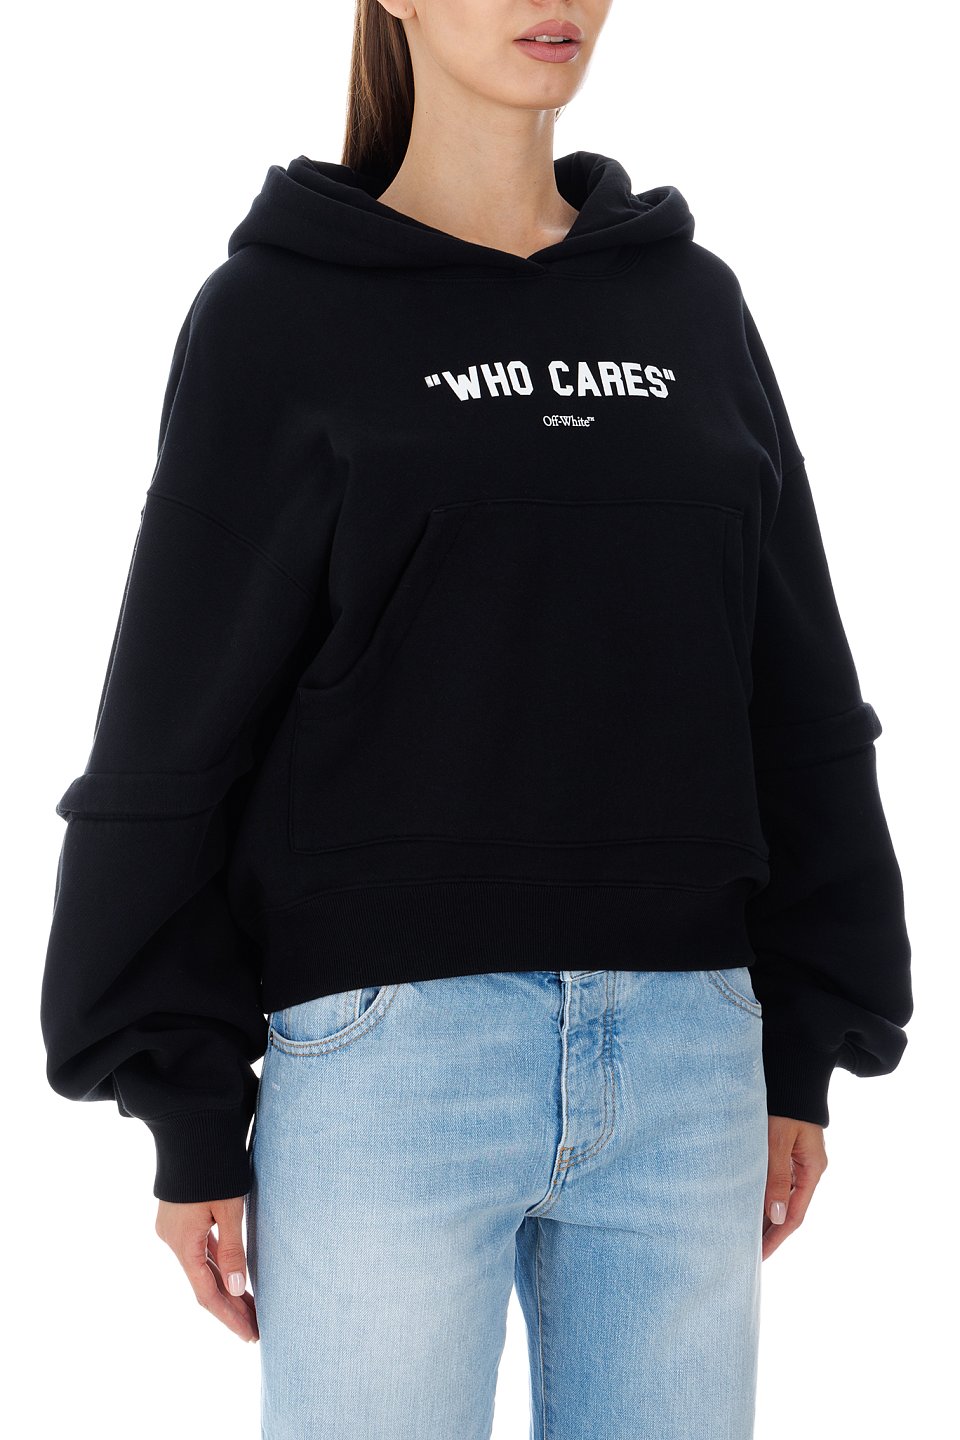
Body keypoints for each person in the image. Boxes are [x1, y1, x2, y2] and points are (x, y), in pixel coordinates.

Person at [39, 2, 913, 1436]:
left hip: (691, 1052)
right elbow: (176, 717)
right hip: (389, 1062)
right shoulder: (277, 313)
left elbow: (797, 681)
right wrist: (183, 1103)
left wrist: (810, 1031)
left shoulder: (690, 304)